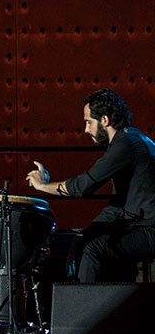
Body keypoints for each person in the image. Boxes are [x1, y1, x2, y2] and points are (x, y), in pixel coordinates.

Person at [26, 89, 155, 282]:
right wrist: (86, 234)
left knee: (93, 247)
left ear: (104, 120)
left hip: (149, 231)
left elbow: (83, 186)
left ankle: (82, 310)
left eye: (88, 122)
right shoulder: (131, 138)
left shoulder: (125, 144)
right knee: (83, 240)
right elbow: (119, 206)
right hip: (139, 225)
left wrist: (42, 185)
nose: (86, 129)